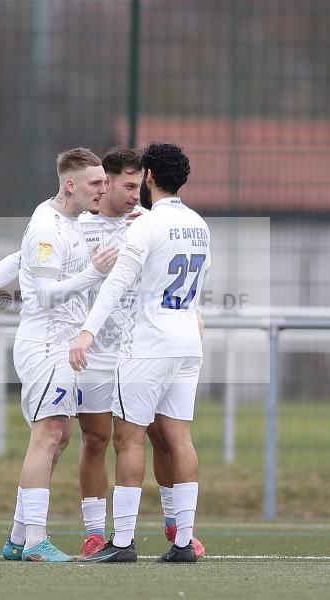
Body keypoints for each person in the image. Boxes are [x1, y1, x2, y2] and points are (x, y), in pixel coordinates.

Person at [0, 146, 205, 560]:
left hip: (131, 344)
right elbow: (26, 261)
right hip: (77, 348)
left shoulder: (144, 223)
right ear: (91, 187)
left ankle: (173, 527)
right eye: (119, 185)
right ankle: (90, 534)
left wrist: (193, 309)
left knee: (150, 435)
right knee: (89, 437)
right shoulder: (73, 224)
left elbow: (174, 270)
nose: (128, 194)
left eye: (134, 185)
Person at [69, 143, 210, 563]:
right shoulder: (199, 223)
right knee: (179, 438)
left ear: (149, 177)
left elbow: (116, 284)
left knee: (128, 440)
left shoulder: (145, 226)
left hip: (149, 344)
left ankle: (123, 542)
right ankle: (184, 542)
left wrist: (87, 332)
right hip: (187, 341)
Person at [0, 148, 117, 563]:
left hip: (61, 345)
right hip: (46, 344)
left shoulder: (68, 221)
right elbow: (43, 292)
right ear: (70, 184)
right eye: (97, 182)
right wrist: (94, 273)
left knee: (59, 437)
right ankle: (36, 541)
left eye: (105, 181)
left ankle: (18, 538)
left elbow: (19, 260)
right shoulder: (48, 227)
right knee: (48, 436)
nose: (104, 188)